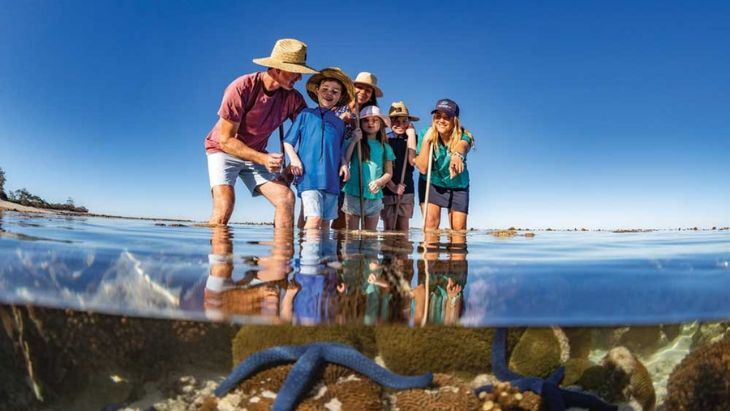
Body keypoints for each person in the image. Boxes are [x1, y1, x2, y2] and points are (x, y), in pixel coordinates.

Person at [204, 38, 318, 227]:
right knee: (224, 207)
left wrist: (292, 166)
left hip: (256, 155)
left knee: (286, 198)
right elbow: (225, 140)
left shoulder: (293, 98)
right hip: (223, 150)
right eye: (296, 72)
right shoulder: (242, 87)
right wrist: (263, 159)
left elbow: (309, 134)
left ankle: (280, 255)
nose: (299, 78)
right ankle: (219, 257)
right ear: (276, 68)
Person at [283, 68, 354, 230]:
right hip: (309, 177)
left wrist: (344, 165)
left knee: (324, 224)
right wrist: (294, 159)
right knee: (314, 219)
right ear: (317, 91)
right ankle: (308, 255)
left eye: (335, 91)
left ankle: (323, 255)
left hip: (332, 180)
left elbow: (341, 151)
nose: (329, 93)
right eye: (325, 89)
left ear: (340, 96)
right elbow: (288, 141)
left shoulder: (339, 123)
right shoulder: (305, 114)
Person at [331, 72, 383, 229]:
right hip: (332, 160)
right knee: (322, 208)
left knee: (342, 211)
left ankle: (339, 252)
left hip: (352, 167)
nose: (363, 92)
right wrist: (340, 121)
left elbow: (375, 139)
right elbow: (324, 130)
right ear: (352, 87)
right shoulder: (337, 106)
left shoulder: (368, 115)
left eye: (368, 90)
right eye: (359, 87)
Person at [414, 99, 474, 230]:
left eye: (446, 117)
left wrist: (457, 155)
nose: (441, 120)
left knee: (459, 230)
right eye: (438, 116)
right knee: (430, 226)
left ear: (455, 120)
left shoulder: (464, 135)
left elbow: (463, 146)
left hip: (458, 185)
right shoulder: (426, 133)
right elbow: (423, 168)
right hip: (432, 183)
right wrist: (426, 142)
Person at [342, 106, 395, 230]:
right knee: (352, 236)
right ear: (360, 123)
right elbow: (345, 160)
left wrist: (379, 182)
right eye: (366, 120)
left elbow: (389, 173)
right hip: (354, 192)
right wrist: (354, 141)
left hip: (374, 194)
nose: (370, 123)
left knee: (370, 236)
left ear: (381, 124)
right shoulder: (354, 141)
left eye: (375, 120)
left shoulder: (385, 147)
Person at [381, 101, 419, 231]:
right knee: (389, 228)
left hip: (406, 188)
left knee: (403, 230)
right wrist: (392, 186)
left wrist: (412, 135)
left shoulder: (413, 138)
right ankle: (388, 251)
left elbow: (412, 161)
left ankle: (402, 251)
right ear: (389, 122)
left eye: (404, 121)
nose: (400, 125)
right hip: (387, 187)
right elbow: (381, 166)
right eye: (396, 121)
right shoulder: (385, 139)